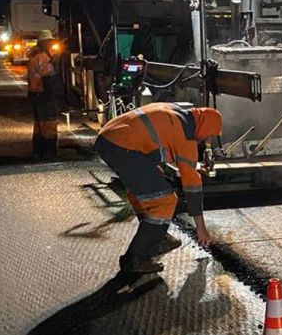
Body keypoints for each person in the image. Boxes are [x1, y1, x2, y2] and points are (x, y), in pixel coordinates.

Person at [94, 103, 223, 274]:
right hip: (122, 148)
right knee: (164, 201)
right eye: (209, 135)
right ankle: (134, 258)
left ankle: (154, 238)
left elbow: (155, 137)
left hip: (109, 138)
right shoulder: (185, 137)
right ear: (203, 127)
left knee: (144, 192)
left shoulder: (177, 112)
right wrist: (201, 227)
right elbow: (192, 186)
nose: (207, 140)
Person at [27, 30, 60, 160]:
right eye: (49, 42)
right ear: (44, 42)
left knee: (39, 124)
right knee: (49, 123)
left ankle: (38, 151)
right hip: (43, 93)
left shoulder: (34, 55)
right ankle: (49, 152)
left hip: (35, 93)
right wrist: (54, 61)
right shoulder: (42, 56)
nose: (50, 44)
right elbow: (48, 74)